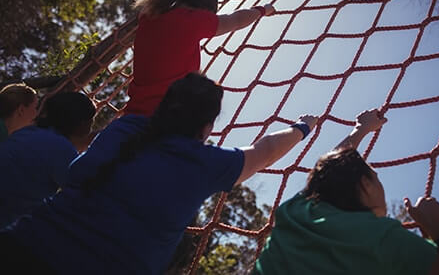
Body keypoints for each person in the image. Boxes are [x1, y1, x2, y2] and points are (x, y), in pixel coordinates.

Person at [0, 73, 318, 274]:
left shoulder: (125, 127)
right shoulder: (207, 162)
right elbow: (266, 150)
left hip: (24, 242)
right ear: (207, 127)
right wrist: (303, 127)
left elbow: (75, 173)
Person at [253, 109, 439, 275]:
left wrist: (361, 129)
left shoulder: (298, 211)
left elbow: (329, 166)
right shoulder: (382, 237)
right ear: (365, 185)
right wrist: (436, 228)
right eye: (377, 178)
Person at [126, 0, 275, 116]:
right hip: (165, 116)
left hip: (132, 113)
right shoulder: (192, 20)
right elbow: (236, 20)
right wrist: (263, 10)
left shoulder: (150, 16)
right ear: (204, 11)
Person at [0, 92, 96, 228]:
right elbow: (85, 193)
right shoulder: (63, 150)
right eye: (91, 120)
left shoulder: (27, 133)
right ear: (82, 123)